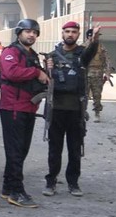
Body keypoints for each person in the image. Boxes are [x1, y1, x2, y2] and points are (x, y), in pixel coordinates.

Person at [42, 22, 101, 197]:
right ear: (62, 33)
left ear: (78, 34)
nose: (70, 34)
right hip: (56, 108)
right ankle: (51, 181)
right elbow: (44, 80)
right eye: (67, 31)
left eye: (74, 32)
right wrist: (47, 69)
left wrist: (94, 39)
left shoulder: (82, 54)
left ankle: (73, 183)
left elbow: (91, 52)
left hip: (76, 110)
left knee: (75, 149)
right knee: (55, 149)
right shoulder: (52, 55)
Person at [0, 19, 50, 208]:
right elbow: (12, 73)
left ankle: (7, 187)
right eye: (28, 31)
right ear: (19, 33)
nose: (31, 35)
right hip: (13, 107)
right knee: (16, 150)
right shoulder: (10, 52)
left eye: (34, 32)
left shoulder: (32, 54)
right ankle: (16, 191)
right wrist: (36, 72)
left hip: (28, 107)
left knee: (21, 150)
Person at [84, 28, 111, 123]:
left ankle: (97, 112)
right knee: (83, 96)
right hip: (85, 75)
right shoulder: (82, 47)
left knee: (97, 95)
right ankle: (81, 112)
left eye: (97, 36)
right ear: (89, 36)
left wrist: (107, 73)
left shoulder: (101, 47)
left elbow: (107, 60)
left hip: (97, 74)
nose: (97, 38)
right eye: (95, 36)